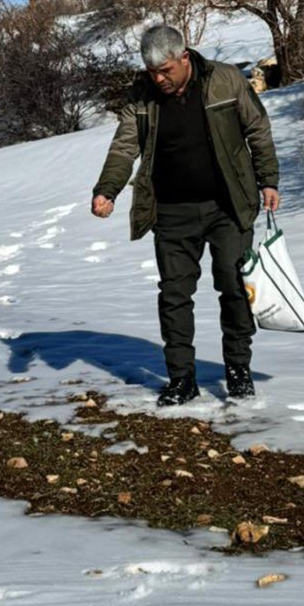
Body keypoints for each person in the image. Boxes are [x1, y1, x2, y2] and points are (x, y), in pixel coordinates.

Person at [91, 25, 280, 406]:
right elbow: (124, 146)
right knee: (174, 296)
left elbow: (257, 129)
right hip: (172, 212)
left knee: (233, 288)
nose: (158, 78)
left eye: (165, 70)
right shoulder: (141, 96)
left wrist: (268, 180)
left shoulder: (225, 80)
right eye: (152, 72)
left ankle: (238, 371)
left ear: (184, 57)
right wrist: (106, 189)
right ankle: (181, 379)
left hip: (228, 204)